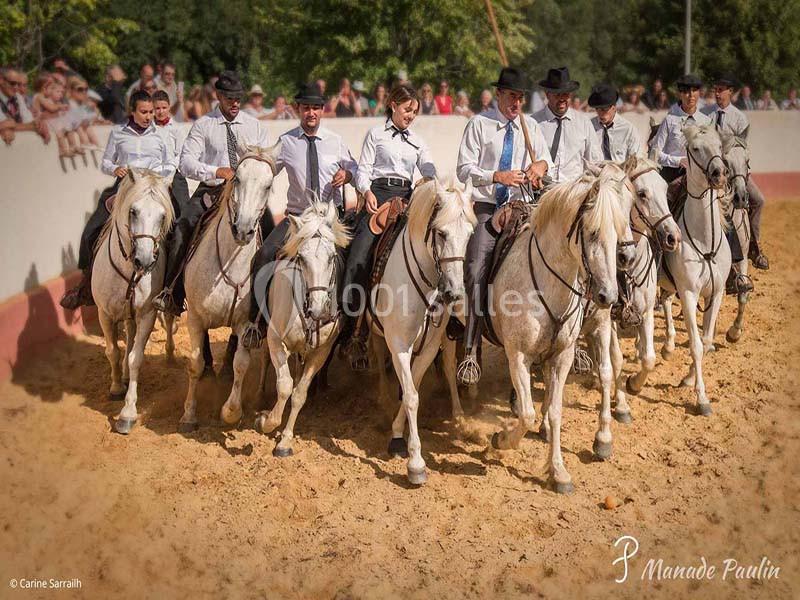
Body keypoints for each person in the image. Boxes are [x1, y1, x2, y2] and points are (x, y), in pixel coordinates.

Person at [240, 82, 358, 348]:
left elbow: (355, 169)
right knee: (265, 254)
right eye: (306, 108)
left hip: (329, 220)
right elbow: (268, 172)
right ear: (298, 110)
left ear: (323, 110)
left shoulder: (335, 142)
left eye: (316, 107)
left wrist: (348, 174)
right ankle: (256, 323)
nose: (311, 113)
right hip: (297, 218)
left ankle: (349, 330)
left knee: (353, 263)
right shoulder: (286, 142)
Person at [456, 67, 552, 377]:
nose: (516, 103)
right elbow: (463, 169)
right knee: (474, 268)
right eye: (511, 96)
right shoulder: (480, 124)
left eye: (520, 97)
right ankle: (471, 349)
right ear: (499, 95)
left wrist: (539, 166)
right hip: (488, 207)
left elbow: (547, 162)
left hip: (524, 207)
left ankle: (558, 338)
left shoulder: (531, 127)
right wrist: (496, 175)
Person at [336, 83, 439, 365]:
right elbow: (364, 169)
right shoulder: (375, 134)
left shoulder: (418, 141)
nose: (411, 115)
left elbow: (429, 166)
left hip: (406, 198)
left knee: (432, 246)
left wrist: (429, 177)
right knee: (358, 255)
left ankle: (438, 321)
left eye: (415, 111)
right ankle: (351, 328)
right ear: (393, 105)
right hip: (377, 195)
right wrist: (366, 192)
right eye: (407, 109)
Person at [153, 71, 270, 316]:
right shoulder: (204, 125)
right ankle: (172, 292)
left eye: (238, 98)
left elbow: (264, 161)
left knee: (269, 232)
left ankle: (266, 300)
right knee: (183, 227)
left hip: (245, 193)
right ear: (218, 96)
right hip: (212, 189)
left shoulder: (254, 126)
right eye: (229, 98)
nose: (235, 103)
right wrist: (215, 170)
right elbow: (185, 162)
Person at [60, 90, 173, 309]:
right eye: (143, 112)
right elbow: (105, 163)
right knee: (91, 231)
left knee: (176, 231)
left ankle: (170, 289)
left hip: (151, 189)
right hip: (123, 188)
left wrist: (153, 175)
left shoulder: (161, 135)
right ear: (132, 111)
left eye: (151, 112)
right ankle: (85, 284)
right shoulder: (119, 133)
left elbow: (169, 164)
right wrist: (116, 168)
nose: (149, 116)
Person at [702, 73, 769, 270]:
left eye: (721, 90)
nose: (717, 93)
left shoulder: (739, 118)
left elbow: (742, 149)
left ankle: (755, 247)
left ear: (730, 92)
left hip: (735, 172)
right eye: (716, 89)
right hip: (711, 173)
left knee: (759, 200)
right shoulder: (706, 114)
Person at [533, 67, 602, 184]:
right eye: (557, 94)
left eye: (565, 94)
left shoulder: (584, 123)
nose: (562, 99)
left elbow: (595, 162)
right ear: (547, 94)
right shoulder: (534, 123)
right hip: (542, 191)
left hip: (574, 192)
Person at [651, 73, 712, 184]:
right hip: (672, 175)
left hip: (699, 176)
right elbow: (655, 153)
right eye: (686, 92)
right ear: (680, 94)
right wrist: (678, 161)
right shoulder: (669, 120)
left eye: (694, 91)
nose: (691, 95)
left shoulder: (706, 122)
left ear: (699, 93)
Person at [152, 89, 189, 216]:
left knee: (183, 206)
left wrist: (169, 172)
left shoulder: (177, 128)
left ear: (169, 107)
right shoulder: (148, 129)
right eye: (157, 108)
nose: (161, 111)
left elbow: (180, 154)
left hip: (173, 172)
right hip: (152, 172)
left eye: (164, 107)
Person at [588, 83, 643, 161]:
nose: (600, 113)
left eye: (604, 109)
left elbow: (635, 160)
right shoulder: (589, 127)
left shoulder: (628, 129)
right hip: (596, 171)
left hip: (621, 171)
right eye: (597, 109)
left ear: (614, 108)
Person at [0, 67, 49, 142]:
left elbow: (28, 120)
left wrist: (39, 125)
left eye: (18, 84)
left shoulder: (18, 97)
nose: (16, 87)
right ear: (1, 80)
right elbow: (4, 124)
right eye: (12, 83)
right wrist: (32, 126)